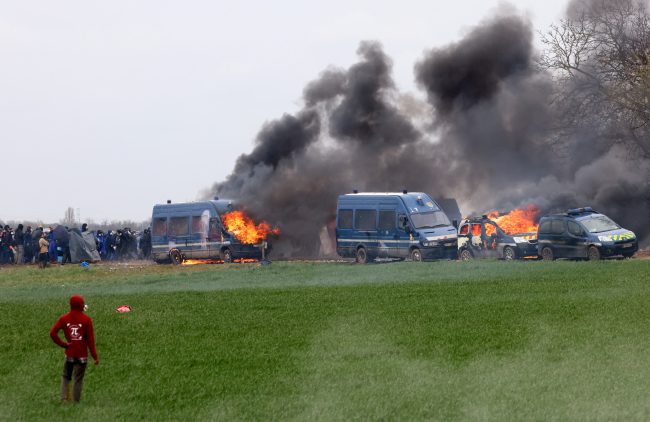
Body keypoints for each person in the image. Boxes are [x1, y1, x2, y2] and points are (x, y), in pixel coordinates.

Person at [49, 295, 99, 403]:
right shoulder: (87, 320)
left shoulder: (64, 318)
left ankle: (63, 399)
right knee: (78, 379)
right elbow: (90, 341)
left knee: (66, 376)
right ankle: (76, 401)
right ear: (81, 305)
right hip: (82, 356)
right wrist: (94, 356)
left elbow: (52, 333)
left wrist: (64, 344)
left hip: (69, 354)